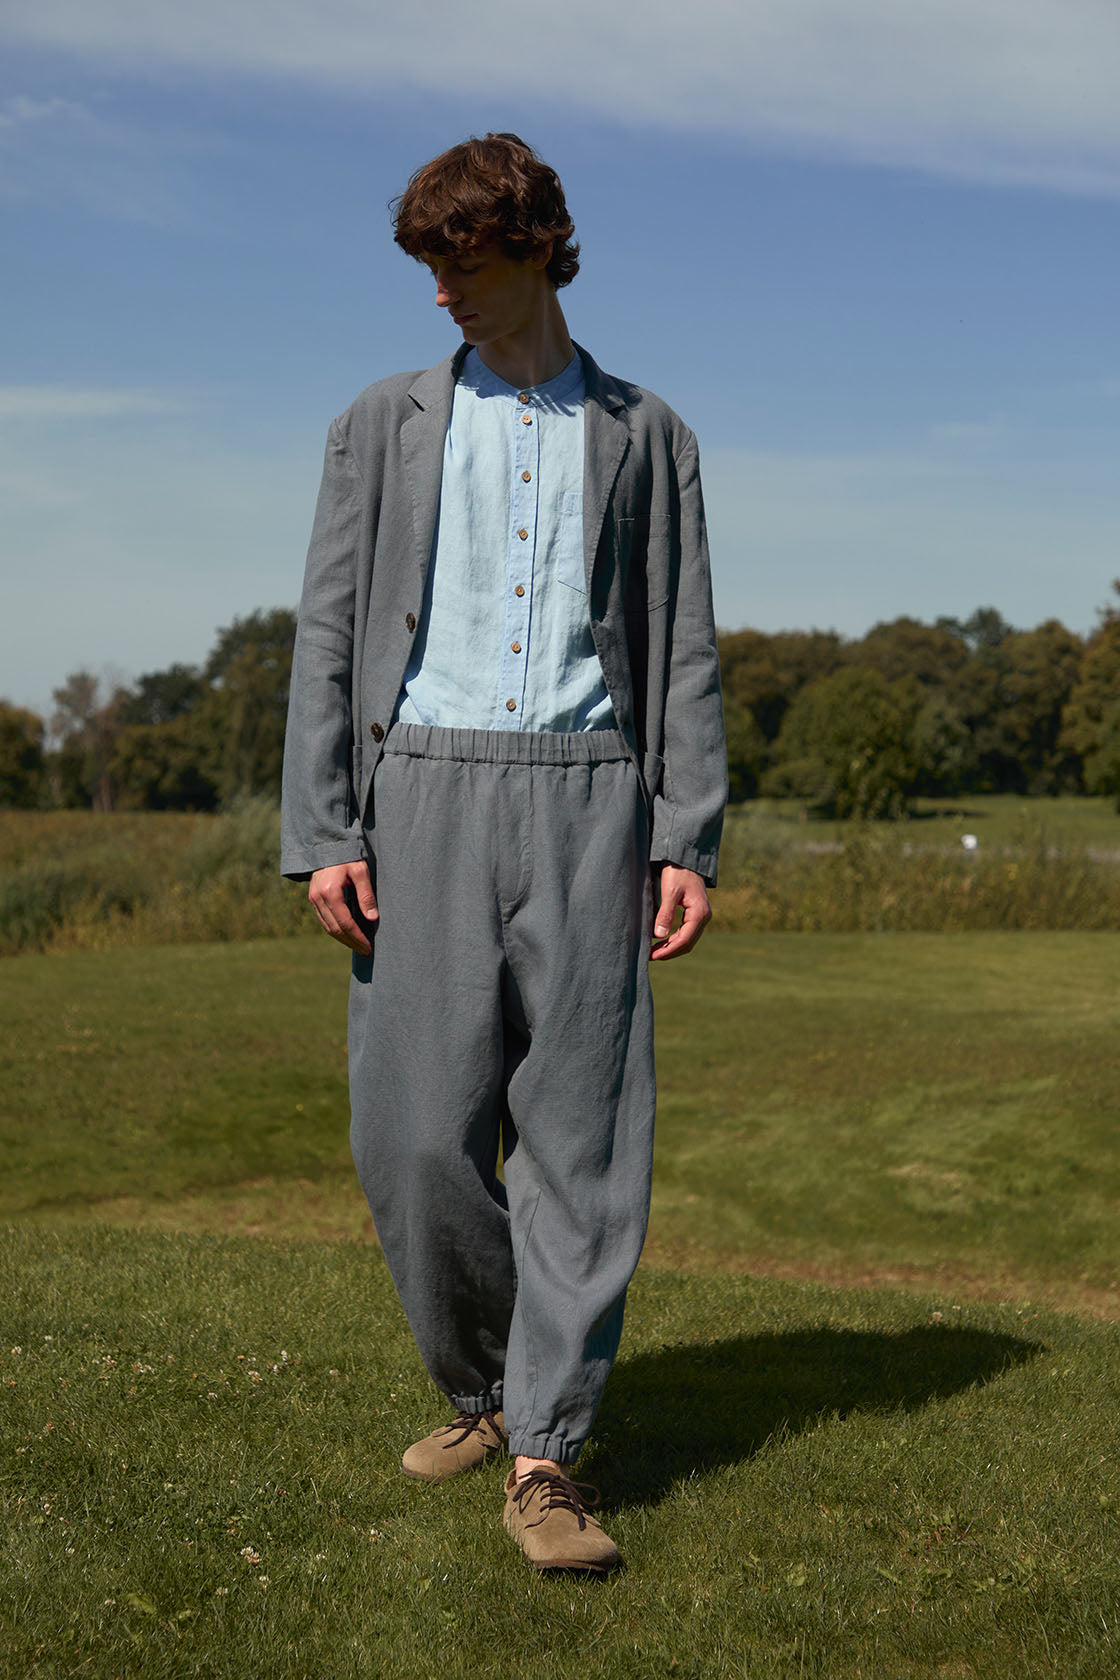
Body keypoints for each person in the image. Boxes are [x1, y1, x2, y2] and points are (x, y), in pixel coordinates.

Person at [281, 133, 726, 1573]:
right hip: (419, 795)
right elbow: (330, 635)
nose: (440, 295)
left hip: (594, 796)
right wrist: (322, 831)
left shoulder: (648, 433)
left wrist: (685, 835)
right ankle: (481, 1386)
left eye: (459, 263)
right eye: (428, 268)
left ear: (532, 242)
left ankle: (544, 1450)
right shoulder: (382, 425)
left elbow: (683, 647)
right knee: (413, 1140)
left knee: (582, 1147)